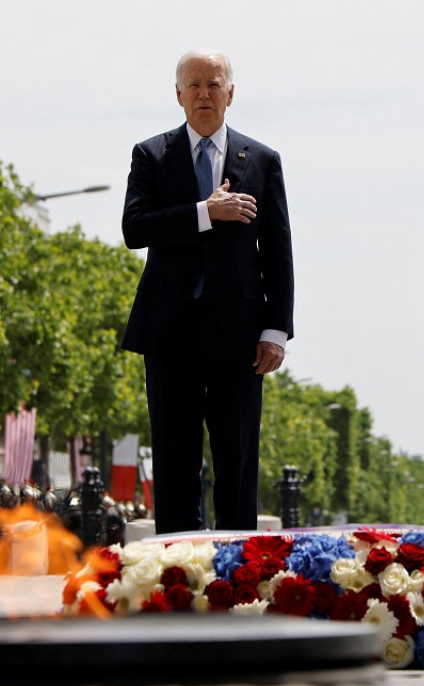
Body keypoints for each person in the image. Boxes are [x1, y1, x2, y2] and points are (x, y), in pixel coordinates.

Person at [120, 49, 294, 534]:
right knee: (175, 464)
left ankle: (236, 577)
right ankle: (177, 575)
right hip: (169, 333)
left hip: (239, 338)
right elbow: (135, 228)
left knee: (237, 464)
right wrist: (204, 212)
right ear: (178, 95)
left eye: (213, 84)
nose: (203, 93)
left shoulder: (261, 160)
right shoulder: (151, 155)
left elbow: (278, 250)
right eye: (193, 85)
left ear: (231, 94)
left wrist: (276, 329)